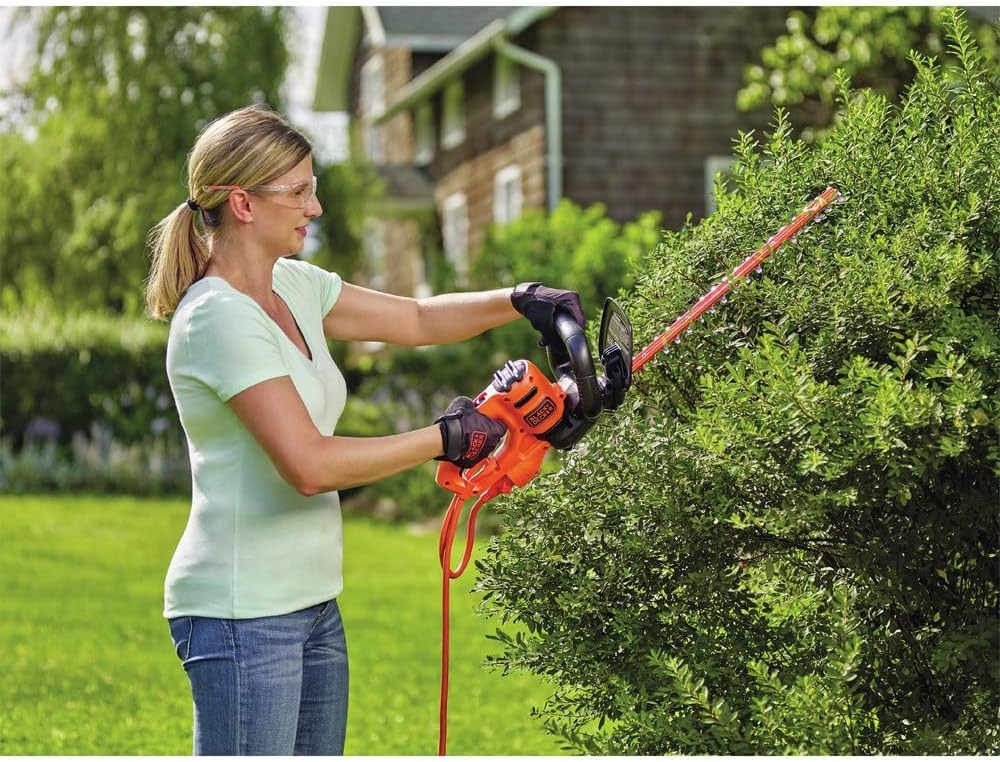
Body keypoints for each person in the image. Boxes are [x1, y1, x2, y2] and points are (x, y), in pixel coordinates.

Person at [145, 103, 585, 756]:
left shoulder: (292, 285)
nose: (315, 208)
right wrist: (444, 438)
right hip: (241, 612)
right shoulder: (216, 316)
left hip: (313, 603)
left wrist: (521, 301)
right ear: (242, 203)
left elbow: (416, 318)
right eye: (298, 192)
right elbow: (309, 466)